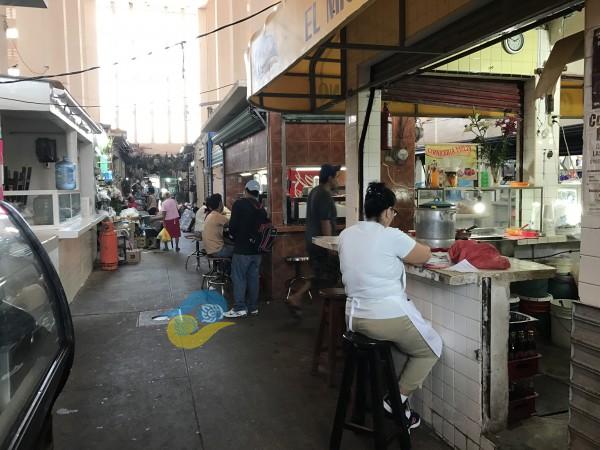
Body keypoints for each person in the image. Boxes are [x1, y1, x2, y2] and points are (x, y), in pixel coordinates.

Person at [338, 182, 439, 431]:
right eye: (392, 212)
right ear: (386, 212)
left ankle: (382, 402)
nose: (392, 217)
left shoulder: (346, 234)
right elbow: (424, 255)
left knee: (399, 347)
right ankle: (395, 401)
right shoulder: (390, 235)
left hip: (353, 317)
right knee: (432, 348)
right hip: (383, 317)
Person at [287, 164, 341, 317]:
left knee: (321, 274)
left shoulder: (314, 192)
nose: (338, 181)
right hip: (321, 244)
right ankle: (301, 300)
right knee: (327, 275)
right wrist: (330, 247)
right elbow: (325, 222)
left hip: (313, 241)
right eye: (336, 177)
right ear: (330, 178)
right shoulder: (324, 194)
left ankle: (298, 299)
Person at [223, 180, 267, 318]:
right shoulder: (261, 208)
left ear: (246, 190)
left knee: (239, 278)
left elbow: (233, 227)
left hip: (242, 249)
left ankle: (239, 308)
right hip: (257, 250)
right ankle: (253, 307)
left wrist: (234, 236)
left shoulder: (239, 204)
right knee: (253, 278)